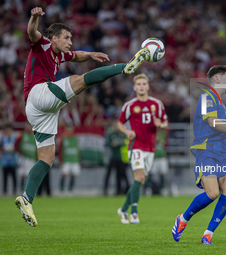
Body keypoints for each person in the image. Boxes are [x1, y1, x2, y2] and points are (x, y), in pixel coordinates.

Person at [15, 7, 151, 227]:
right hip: (38, 94)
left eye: (71, 38)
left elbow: (76, 55)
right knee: (81, 81)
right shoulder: (43, 44)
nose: (70, 42)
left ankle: (26, 198)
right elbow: (32, 32)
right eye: (67, 38)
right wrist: (34, 17)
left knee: (47, 158)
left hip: (39, 111)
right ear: (55, 38)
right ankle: (124, 68)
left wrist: (90, 54)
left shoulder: (60, 54)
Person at [171, 65, 226, 245]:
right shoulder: (208, 96)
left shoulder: (221, 106)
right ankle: (183, 219)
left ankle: (208, 234)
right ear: (217, 79)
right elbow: (212, 121)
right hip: (208, 151)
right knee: (213, 193)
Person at [117, 73, 168, 224]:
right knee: (139, 178)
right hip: (136, 145)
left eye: (143, 84)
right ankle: (134, 212)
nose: (141, 86)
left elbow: (165, 123)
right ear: (134, 87)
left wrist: (160, 125)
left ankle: (123, 209)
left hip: (150, 147)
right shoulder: (130, 105)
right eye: (138, 84)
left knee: (140, 181)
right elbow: (119, 123)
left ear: (148, 86)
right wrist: (127, 131)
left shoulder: (157, 104)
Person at [104, 119, 129, 196]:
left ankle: (118, 191)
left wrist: (117, 143)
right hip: (112, 157)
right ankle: (105, 190)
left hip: (120, 157)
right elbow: (111, 144)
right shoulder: (111, 134)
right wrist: (119, 142)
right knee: (108, 174)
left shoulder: (122, 134)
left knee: (119, 175)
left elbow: (124, 142)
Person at [145, 129, 169, 196]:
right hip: (154, 157)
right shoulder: (151, 134)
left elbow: (166, 144)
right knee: (151, 173)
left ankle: (163, 189)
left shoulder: (163, 133)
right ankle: (148, 189)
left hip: (162, 157)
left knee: (162, 173)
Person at [58, 124, 80, 195]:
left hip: (74, 160)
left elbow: (78, 149)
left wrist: (79, 160)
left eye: (71, 128)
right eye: (68, 128)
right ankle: (61, 190)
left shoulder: (75, 138)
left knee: (73, 175)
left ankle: (70, 190)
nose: (69, 130)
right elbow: (59, 150)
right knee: (64, 174)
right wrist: (60, 160)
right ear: (65, 129)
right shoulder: (63, 138)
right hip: (66, 160)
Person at [15, 122, 37, 192]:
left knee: (29, 175)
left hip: (32, 158)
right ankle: (21, 189)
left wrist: (37, 158)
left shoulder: (35, 136)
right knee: (23, 174)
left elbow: (37, 148)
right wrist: (20, 152)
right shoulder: (22, 134)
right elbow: (16, 144)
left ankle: (28, 190)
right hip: (24, 157)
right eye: (28, 125)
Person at [1, 123, 18, 195]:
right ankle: (4, 191)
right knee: (5, 177)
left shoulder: (14, 138)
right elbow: (1, 148)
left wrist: (13, 149)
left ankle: (14, 191)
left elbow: (17, 147)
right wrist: (4, 149)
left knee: (14, 177)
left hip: (12, 161)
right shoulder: (3, 139)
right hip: (5, 161)